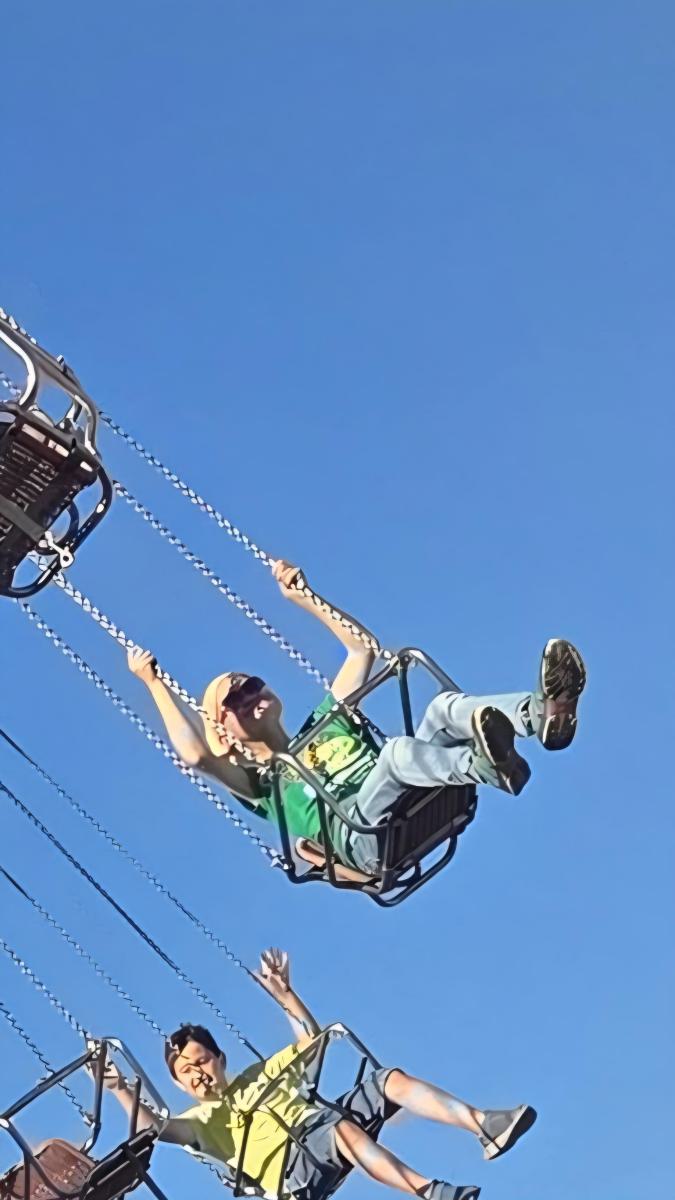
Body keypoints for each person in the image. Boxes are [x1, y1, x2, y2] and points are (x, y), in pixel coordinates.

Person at [128, 561, 586, 878]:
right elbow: (195, 756)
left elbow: (361, 650)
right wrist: (154, 685)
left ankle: (544, 712)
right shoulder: (264, 787)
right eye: (235, 698)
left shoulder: (327, 720)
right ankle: (488, 766)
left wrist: (305, 598)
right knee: (397, 754)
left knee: (442, 708)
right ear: (223, 730)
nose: (250, 695)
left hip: (417, 794)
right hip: (369, 839)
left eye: (253, 685)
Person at [100, 948, 536, 1200]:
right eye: (186, 1071)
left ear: (220, 1058)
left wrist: (286, 995)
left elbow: (311, 1039)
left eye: (201, 1060)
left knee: (388, 1080)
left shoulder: (258, 1073)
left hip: (319, 1123)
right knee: (339, 1130)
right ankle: (429, 1192)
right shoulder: (199, 1122)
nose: (197, 1073)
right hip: (293, 1172)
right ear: (178, 1084)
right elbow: (155, 1129)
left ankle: (485, 1125)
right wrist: (119, 1088)